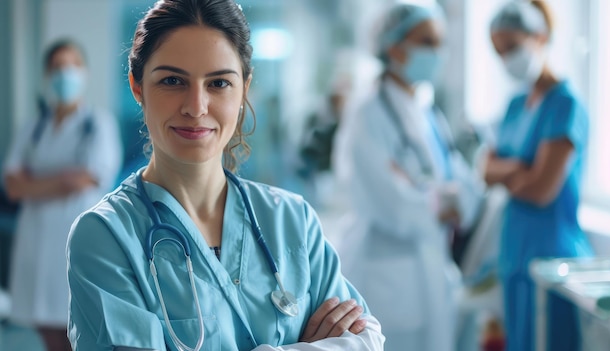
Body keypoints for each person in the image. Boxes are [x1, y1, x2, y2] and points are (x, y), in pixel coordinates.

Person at [66, 1, 385, 350]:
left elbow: (366, 338)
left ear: (244, 89)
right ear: (137, 87)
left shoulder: (292, 220)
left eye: (218, 83)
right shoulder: (105, 236)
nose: (196, 106)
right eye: (172, 81)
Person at [332, 2, 484, 350]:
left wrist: (437, 198)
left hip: (432, 272)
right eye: (427, 42)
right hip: (385, 276)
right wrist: (440, 200)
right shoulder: (368, 114)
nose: (438, 52)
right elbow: (389, 203)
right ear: (394, 45)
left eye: (440, 42)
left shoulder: (427, 112)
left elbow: (466, 194)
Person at [485, 1, 593, 350]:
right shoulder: (516, 104)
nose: (506, 59)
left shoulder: (565, 103)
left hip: (553, 259)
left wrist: (506, 172)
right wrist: (519, 171)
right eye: (499, 51)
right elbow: (486, 170)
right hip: (515, 252)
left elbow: (542, 189)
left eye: (512, 47)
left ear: (540, 37)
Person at [2, 39, 122, 351]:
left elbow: (86, 179)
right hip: (34, 240)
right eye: (57, 67)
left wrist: (36, 183)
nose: (65, 73)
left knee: (77, 327)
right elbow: (13, 186)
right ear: (46, 75)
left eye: (72, 65)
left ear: (85, 72)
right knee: (45, 325)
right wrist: (62, 180)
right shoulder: (33, 127)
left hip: (75, 238)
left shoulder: (99, 124)